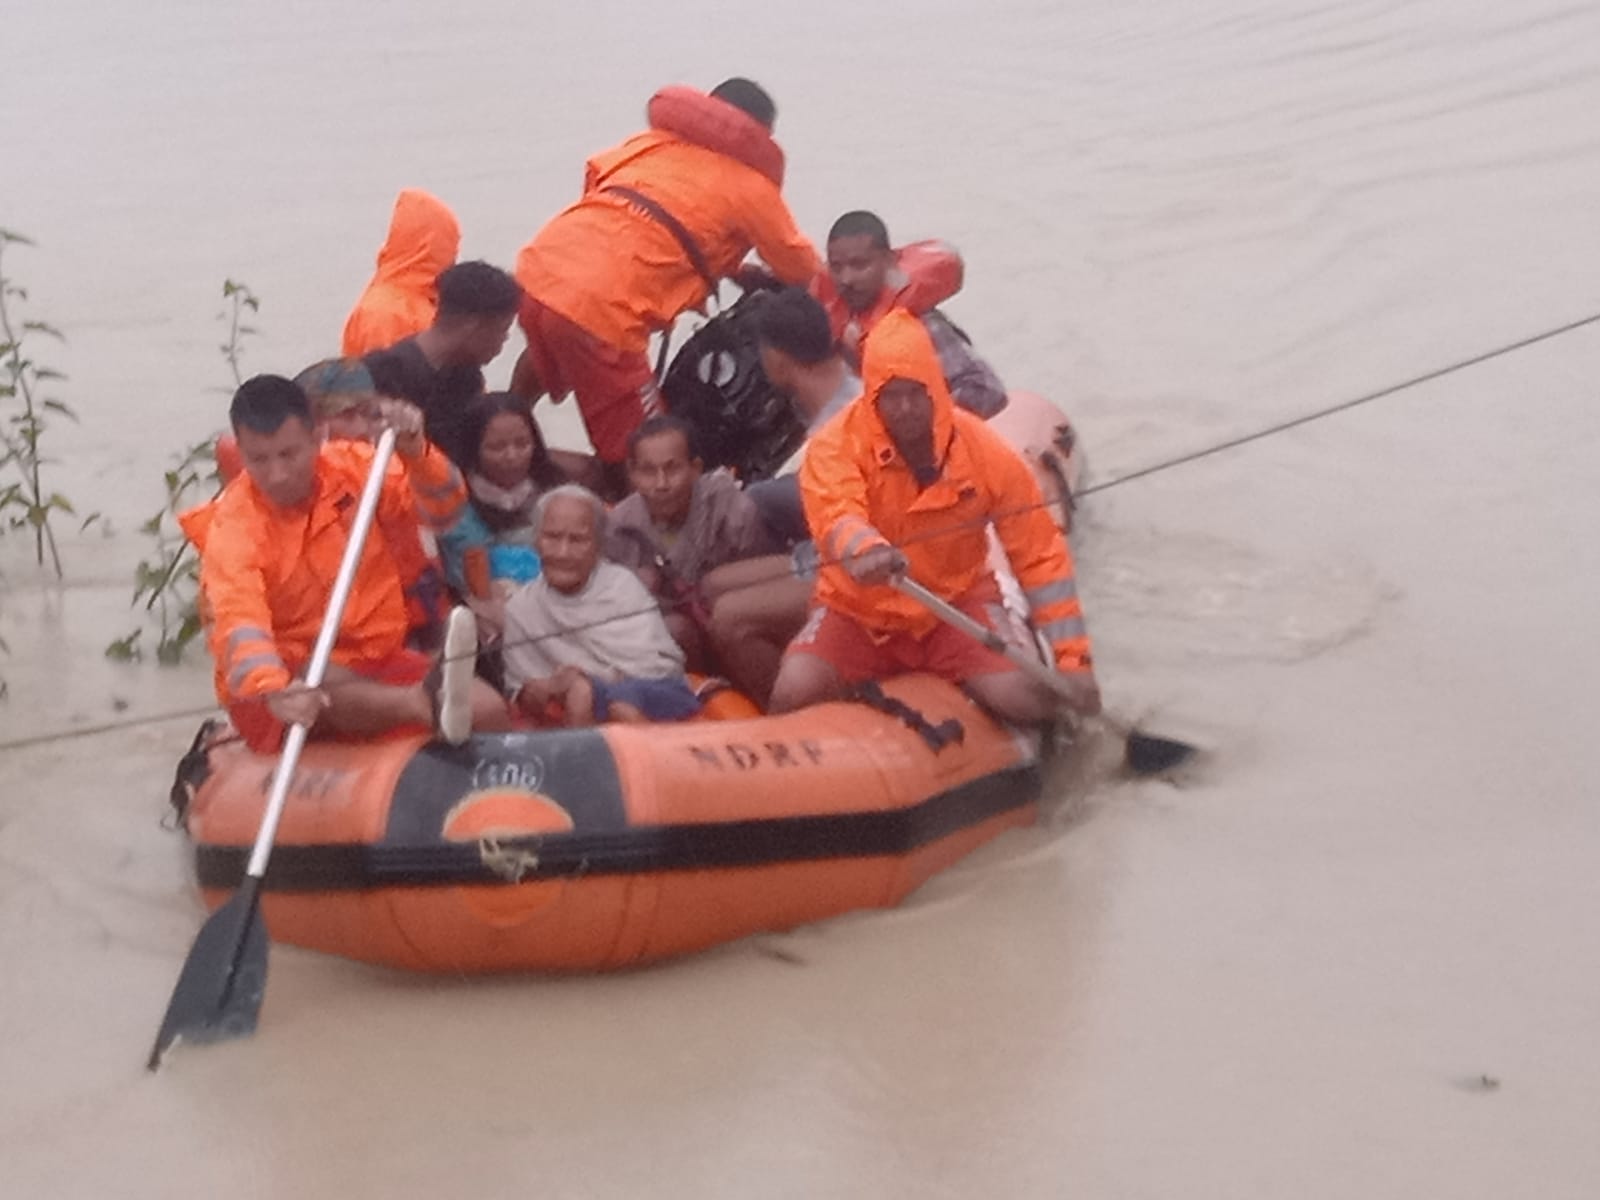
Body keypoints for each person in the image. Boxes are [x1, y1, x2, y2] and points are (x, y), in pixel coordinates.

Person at [768, 310, 1100, 725]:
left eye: (916, 392)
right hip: (859, 612)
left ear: (936, 388)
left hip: (954, 604)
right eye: (891, 395)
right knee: (792, 691)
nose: (904, 408)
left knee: (1026, 701)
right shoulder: (834, 446)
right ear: (872, 395)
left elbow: (1040, 557)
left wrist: (1075, 662)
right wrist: (864, 549)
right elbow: (835, 511)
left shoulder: (982, 451)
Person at [510, 78, 822, 496]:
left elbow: (635, 219)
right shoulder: (751, 186)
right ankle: (635, 528)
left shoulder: (642, 146)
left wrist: (723, 267)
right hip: (604, 316)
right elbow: (803, 269)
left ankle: (491, 437)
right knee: (650, 447)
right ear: (761, 135)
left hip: (544, 271)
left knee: (551, 338)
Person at [186, 375, 510, 752]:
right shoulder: (235, 529)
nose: (277, 474)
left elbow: (446, 513)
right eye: (259, 459)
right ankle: (425, 706)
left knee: (488, 710)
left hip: (375, 659)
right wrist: (269, 686)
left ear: (316, 436)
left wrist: (416, 453)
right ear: (240, 451)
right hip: (286, 685)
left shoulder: (358, 469)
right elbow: (239, 622)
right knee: (320, 678)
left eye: (289, 454)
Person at [502, 486, 700, 726]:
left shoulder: (621, 587)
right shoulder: (521, 608)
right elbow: (521, 694)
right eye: (552, 537)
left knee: (604, 699)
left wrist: (584, 679)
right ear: (536, 541)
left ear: (598, 546)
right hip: (574, 709)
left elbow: (659, 669)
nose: (563, 552)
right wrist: (549, 687)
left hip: (651, 695)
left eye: (577, 540)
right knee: (580, 692)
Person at [604, 415, 772, 670]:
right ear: (632, 473)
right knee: (673, 629)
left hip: (737, 622)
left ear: (695, 468)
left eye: (672, 469)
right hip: (679, 647)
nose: (661, 484)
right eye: (648, 471)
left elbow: (765, 586)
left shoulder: (733, 510)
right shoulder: (619, 527)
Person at [815, 210, 1007, 418]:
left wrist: (917, 424)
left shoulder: (922, 323)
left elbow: (987, 391)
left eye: (860, 265)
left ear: (888, 261)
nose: (846, 279)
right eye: (836, 267)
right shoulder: (834, 322)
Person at [364, 259, 523, 465]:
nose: (505, 339)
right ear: (473, 326)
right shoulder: (381, 373)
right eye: (502, 329)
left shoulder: (467, 374)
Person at [435, 392, 568, 624]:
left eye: (522, 444)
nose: (512, 456)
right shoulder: (453, 505)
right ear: (473, 449)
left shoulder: (559, 491)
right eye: (496, 448)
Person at [341, 188, 461, 356]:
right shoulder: (386, 313)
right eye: (450, 246)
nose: (454, 257)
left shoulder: (419, 301)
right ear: (430, 246)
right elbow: (384, 378)